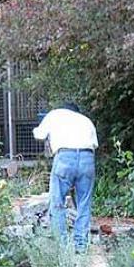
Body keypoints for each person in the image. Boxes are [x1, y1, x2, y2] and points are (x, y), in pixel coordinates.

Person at [32, 103, 99, 252]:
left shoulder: (54, 114)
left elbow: (39, 135)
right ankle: (81, 247)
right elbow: (94, 144)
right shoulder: (86, 120)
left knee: (57, 202)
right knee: (84, 203)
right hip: (87, 158)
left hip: (64, 158)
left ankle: (62, 248)